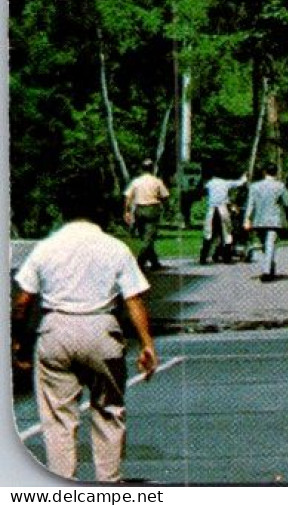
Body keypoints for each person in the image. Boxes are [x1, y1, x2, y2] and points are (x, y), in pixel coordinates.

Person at [12, 174, 160, 482]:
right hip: (101, 328)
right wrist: (147, 343)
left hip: (56, 328)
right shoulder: (115, 248)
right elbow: (133, 300)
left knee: (58, 418)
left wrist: (18, 340)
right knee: (108, 410)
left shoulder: (45, 248)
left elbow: (24, 300)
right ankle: (108, 482)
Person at [243, 166, 288, 283]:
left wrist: (247, 219)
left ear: (264, 172)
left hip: (259, 220)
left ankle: (267, 270)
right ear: (276, 172)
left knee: (265, 245)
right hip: (274, 220)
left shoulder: (254, 186)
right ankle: (268, 267)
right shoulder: (280, 186)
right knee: (269, 245)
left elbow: (250, 204)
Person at [123, 161, 170, 271]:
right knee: (148, 239)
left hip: (139, 209)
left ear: (142, 169)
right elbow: (165, 196)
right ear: (152, 169)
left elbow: (128, 197)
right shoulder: (157, 181)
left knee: (145, 237)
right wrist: (166, 207)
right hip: (152, 209)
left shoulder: (136, 181)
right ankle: (139, 263)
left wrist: (127, 211)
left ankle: (155, 263)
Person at [198, 165, 248, 264]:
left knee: (208, 234)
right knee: (227, 234)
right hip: (222, 209)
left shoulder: (209, 183)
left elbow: (201, 188)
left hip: (212, 210)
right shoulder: (225, 183)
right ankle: (227, 257)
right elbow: (240, 183)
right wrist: (244, 176)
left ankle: (203, 257)